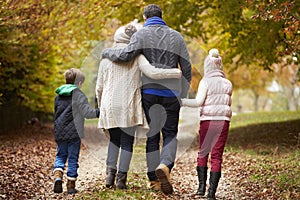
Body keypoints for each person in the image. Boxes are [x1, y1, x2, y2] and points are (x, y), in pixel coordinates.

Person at [102, 4, 191, 194]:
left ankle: (154, 180)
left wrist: (107, 53)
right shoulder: (177, 36)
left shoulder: (140, 35)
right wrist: (182, 94)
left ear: (145, 17)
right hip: (171, 94)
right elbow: (187, 67)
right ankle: (165, 165)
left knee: (153, 134)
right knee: (169, 134)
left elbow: (126, 56)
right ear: (161, 16)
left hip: (150, 93)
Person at [181, 49, 232, 200]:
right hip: (223, 121)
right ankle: (212, 193)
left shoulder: (205, 82)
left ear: (207, 66)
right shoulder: (228, 84)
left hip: (208, 121)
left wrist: (182, 102)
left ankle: (201, 188)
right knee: (217, 156)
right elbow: (228, 105)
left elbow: (198, 102)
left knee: (203, 153)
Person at [53, 68, 100, 194]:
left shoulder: (58, 96)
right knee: (73, 158)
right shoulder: (79, 95)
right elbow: (87, 113)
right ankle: (70, 186)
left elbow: (56, 113)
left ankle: (58, 175)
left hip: (60, 131)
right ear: (79, 83)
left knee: (60, 155)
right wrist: (99, 112)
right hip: (74, 133)